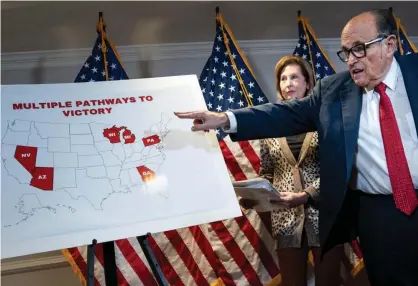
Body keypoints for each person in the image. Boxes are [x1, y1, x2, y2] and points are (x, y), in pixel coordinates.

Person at [175, 9, 418, 286]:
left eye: (359, 49)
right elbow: (284, 114)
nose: (351, 60)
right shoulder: (335, 91)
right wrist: (225, 118)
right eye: (346, 53)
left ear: (389, 45)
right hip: (378, 214)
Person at [239, 55, 343, 286]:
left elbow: (337, 169)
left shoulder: (326, 119)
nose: (288, 83)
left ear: (307, 83)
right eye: (283, 79)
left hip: (325, 217)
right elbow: (267, 171)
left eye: (294, 77)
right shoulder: (270, 125)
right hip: (286, 220)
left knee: (329, 281)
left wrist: (307, 195)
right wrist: (252, 195)